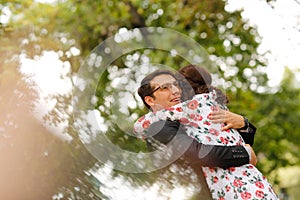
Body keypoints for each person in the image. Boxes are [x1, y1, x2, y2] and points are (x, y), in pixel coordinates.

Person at [134, 66, 279, 199]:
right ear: (150, 100)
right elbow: (197, 152)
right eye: (165, 88)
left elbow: (231, 139)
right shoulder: (157, 126)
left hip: (242, 187)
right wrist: (244, 154)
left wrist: (244, 124)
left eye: (176, 85)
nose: (175, 91)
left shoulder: (191, 114)